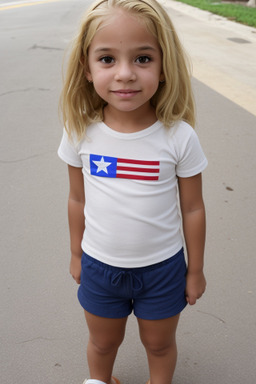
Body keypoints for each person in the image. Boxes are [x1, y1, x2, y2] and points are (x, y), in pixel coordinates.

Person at [58, 0, 208, 383]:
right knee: (103, 344)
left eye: (142, 58)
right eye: (107, 59)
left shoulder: (179, 137)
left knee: (159, 345)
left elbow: (192, 208)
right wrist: (76, 254)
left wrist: (195, 270)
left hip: (163, 269)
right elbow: (77, 199)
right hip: (99, 267)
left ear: (163, 67)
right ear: (87, 70)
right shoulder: (80, 133)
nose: (125, 74)